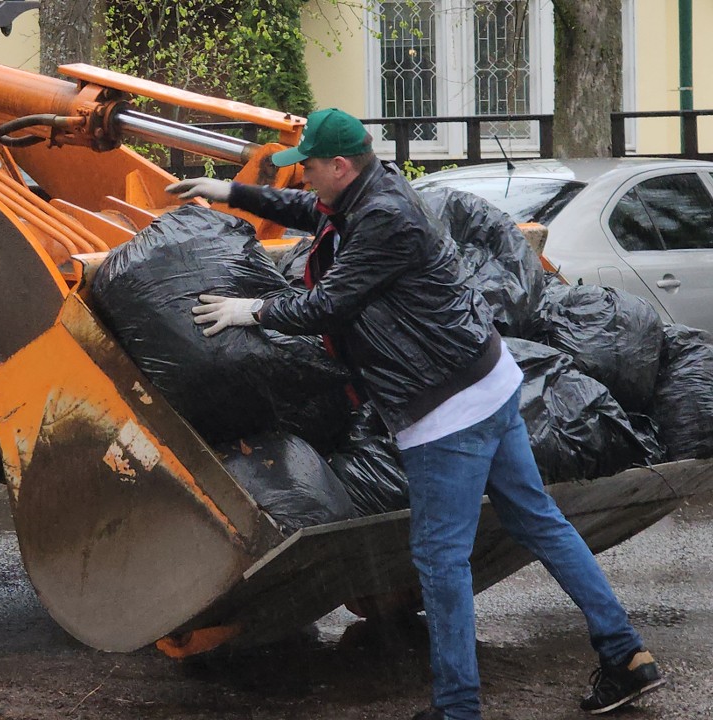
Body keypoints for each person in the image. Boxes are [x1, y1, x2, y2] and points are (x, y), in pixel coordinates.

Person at [166, 108, 666, 720]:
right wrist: (230, 192)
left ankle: (457, 708)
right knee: (539, 522)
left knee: (439, 559)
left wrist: (253, 311)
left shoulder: (385, 218)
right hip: (488, 381)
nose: (307, 180)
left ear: (341, 166)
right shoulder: (375, 188)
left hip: (447, 408)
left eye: (311, 169)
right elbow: (312, 215)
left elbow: (326, 305)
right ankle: (626, 654)